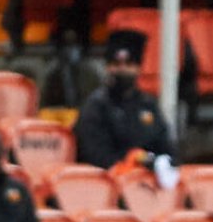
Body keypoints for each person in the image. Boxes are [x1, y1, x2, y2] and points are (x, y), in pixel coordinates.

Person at [74, 29, 177, 174]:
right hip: (109, 185)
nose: (122, 69)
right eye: (116, 63)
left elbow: (168, 150)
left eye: (129, 64)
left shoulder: (148, 105)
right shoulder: (96, 106)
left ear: (138, 68)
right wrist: (130, 165)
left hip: (149, 184)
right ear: (108, 67)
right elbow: (95, 157)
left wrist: (155, 163)